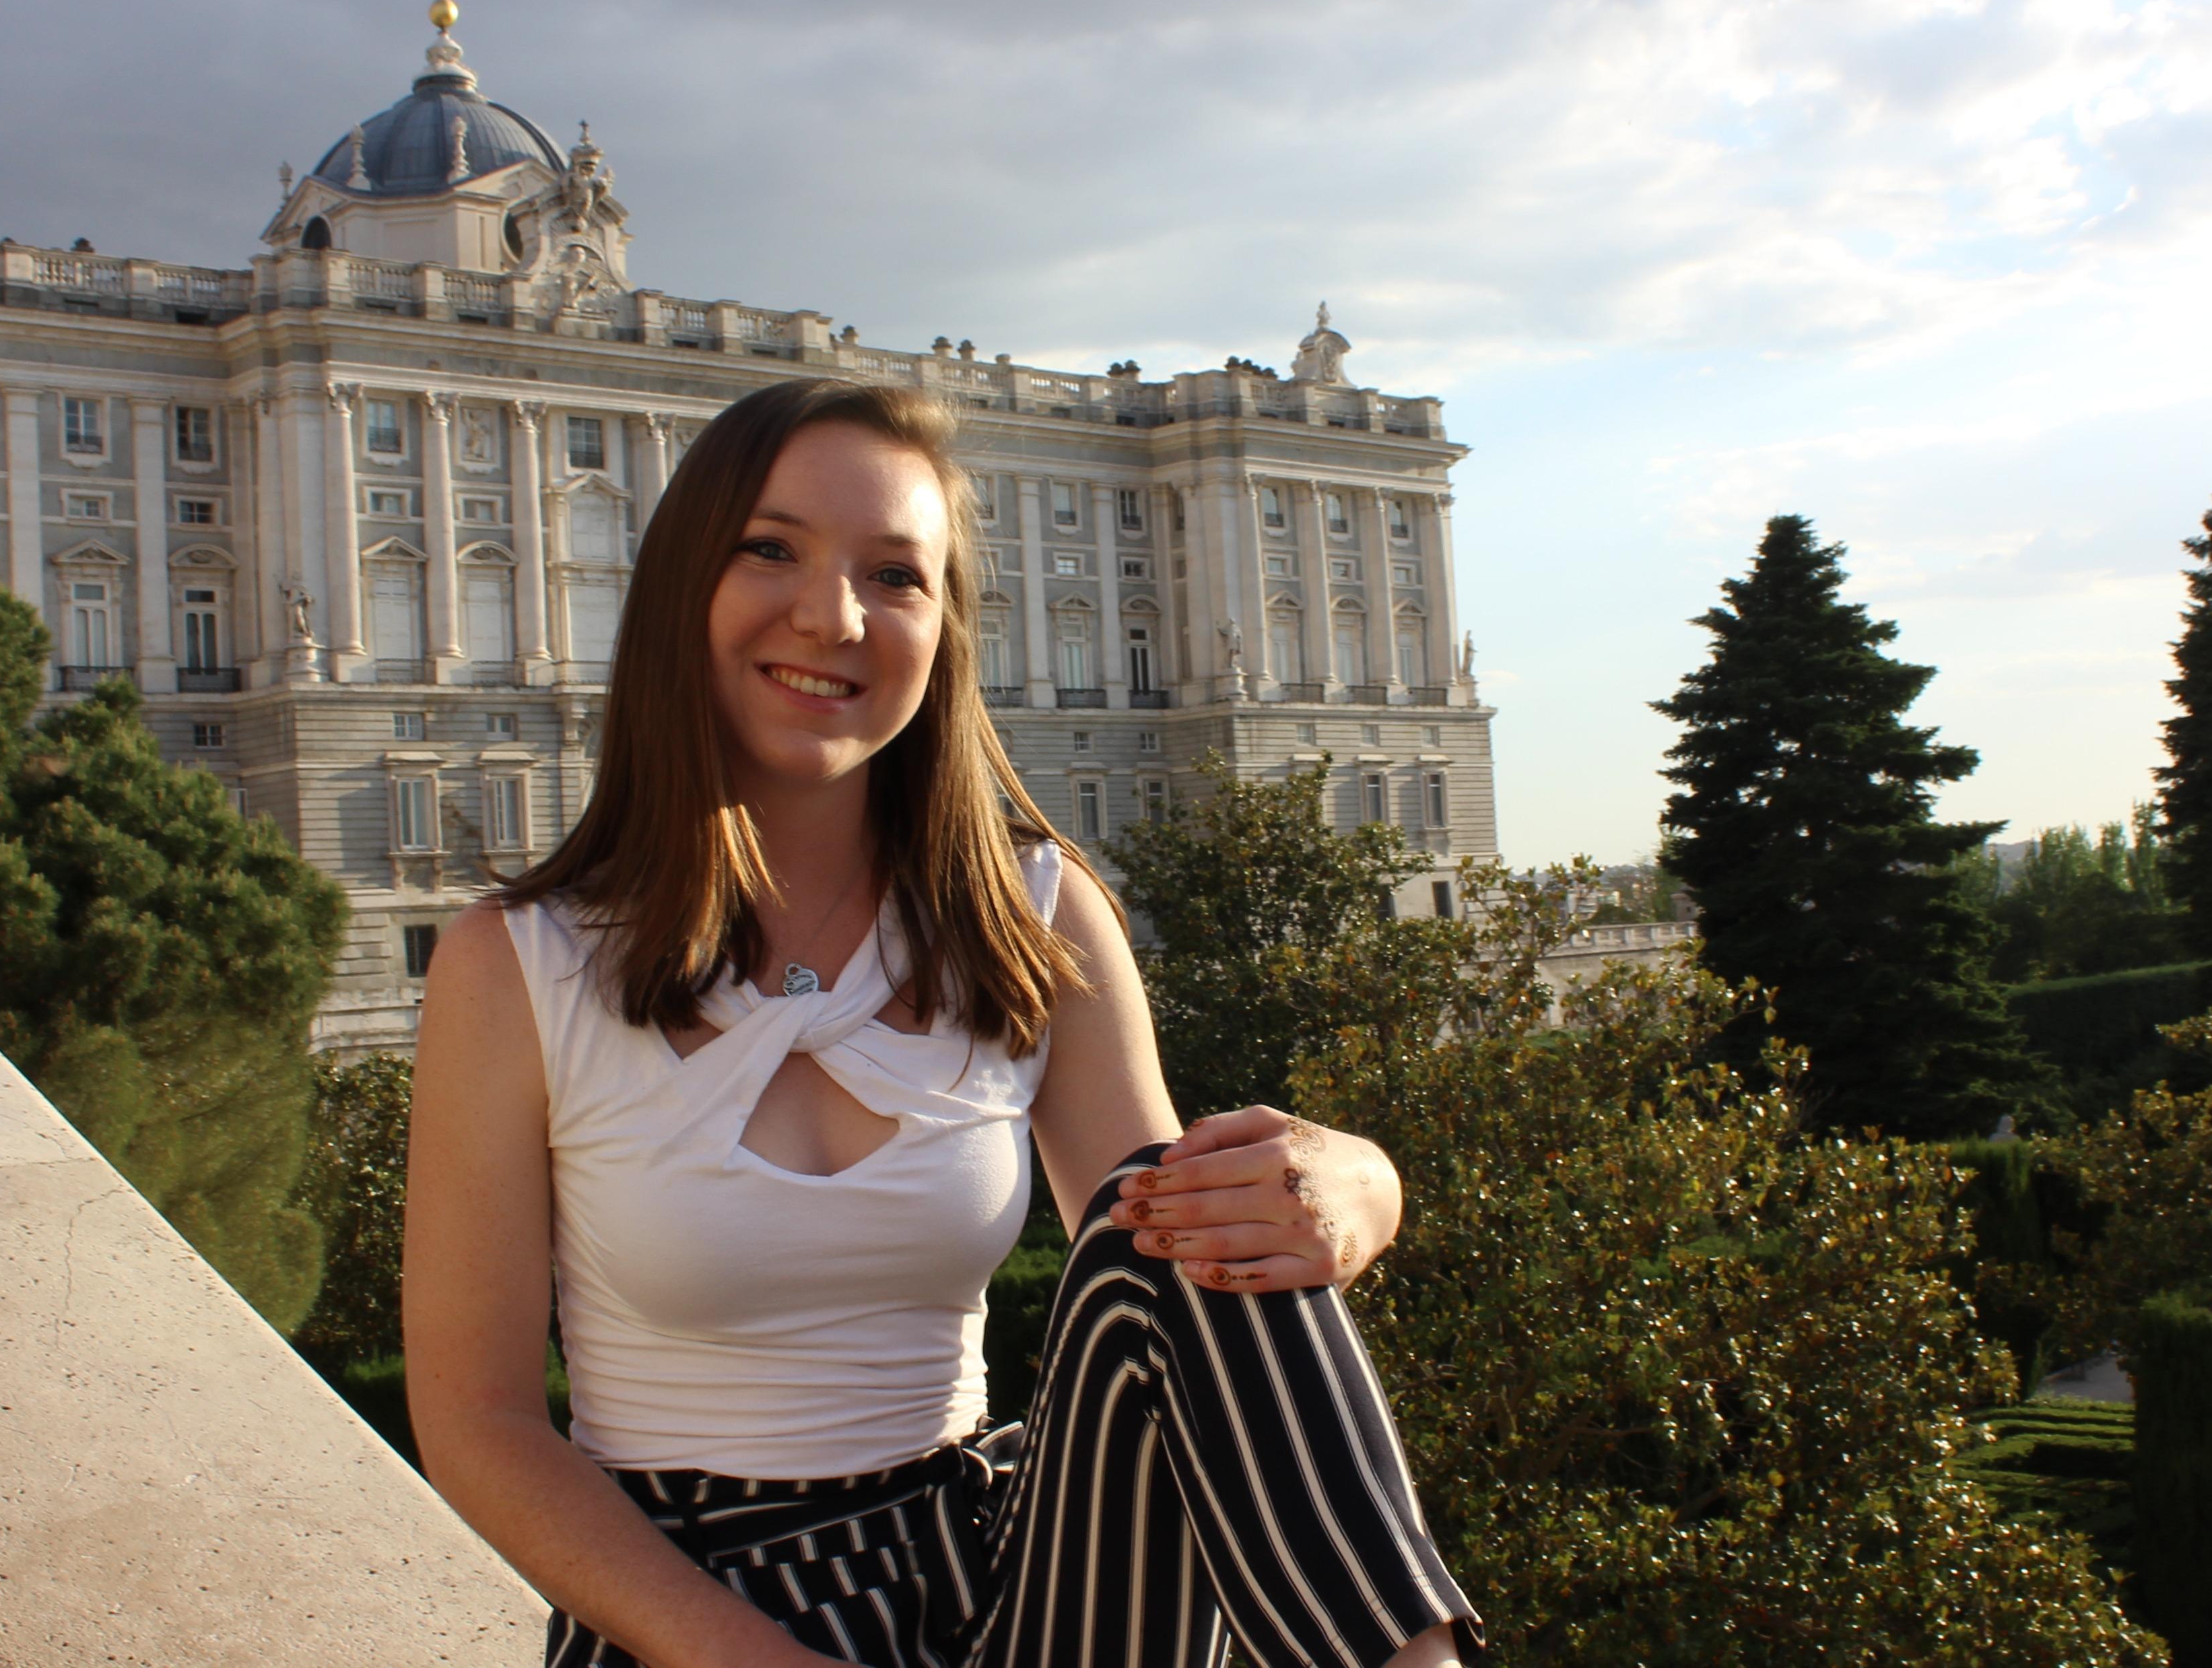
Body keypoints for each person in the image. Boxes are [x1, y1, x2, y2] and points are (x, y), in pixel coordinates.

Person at [405, 378, 1479, 1668]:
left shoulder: (1037, 911)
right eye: (771, 549)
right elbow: (478, 1422)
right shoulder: (516, 964)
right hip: (691, 1614)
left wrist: (1361, 1185)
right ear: (684, 585)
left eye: (895, 575)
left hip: (1008, 1581)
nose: (833, 616)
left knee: (1183, 1217)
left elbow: (1172, 1256)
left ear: (945, 626)